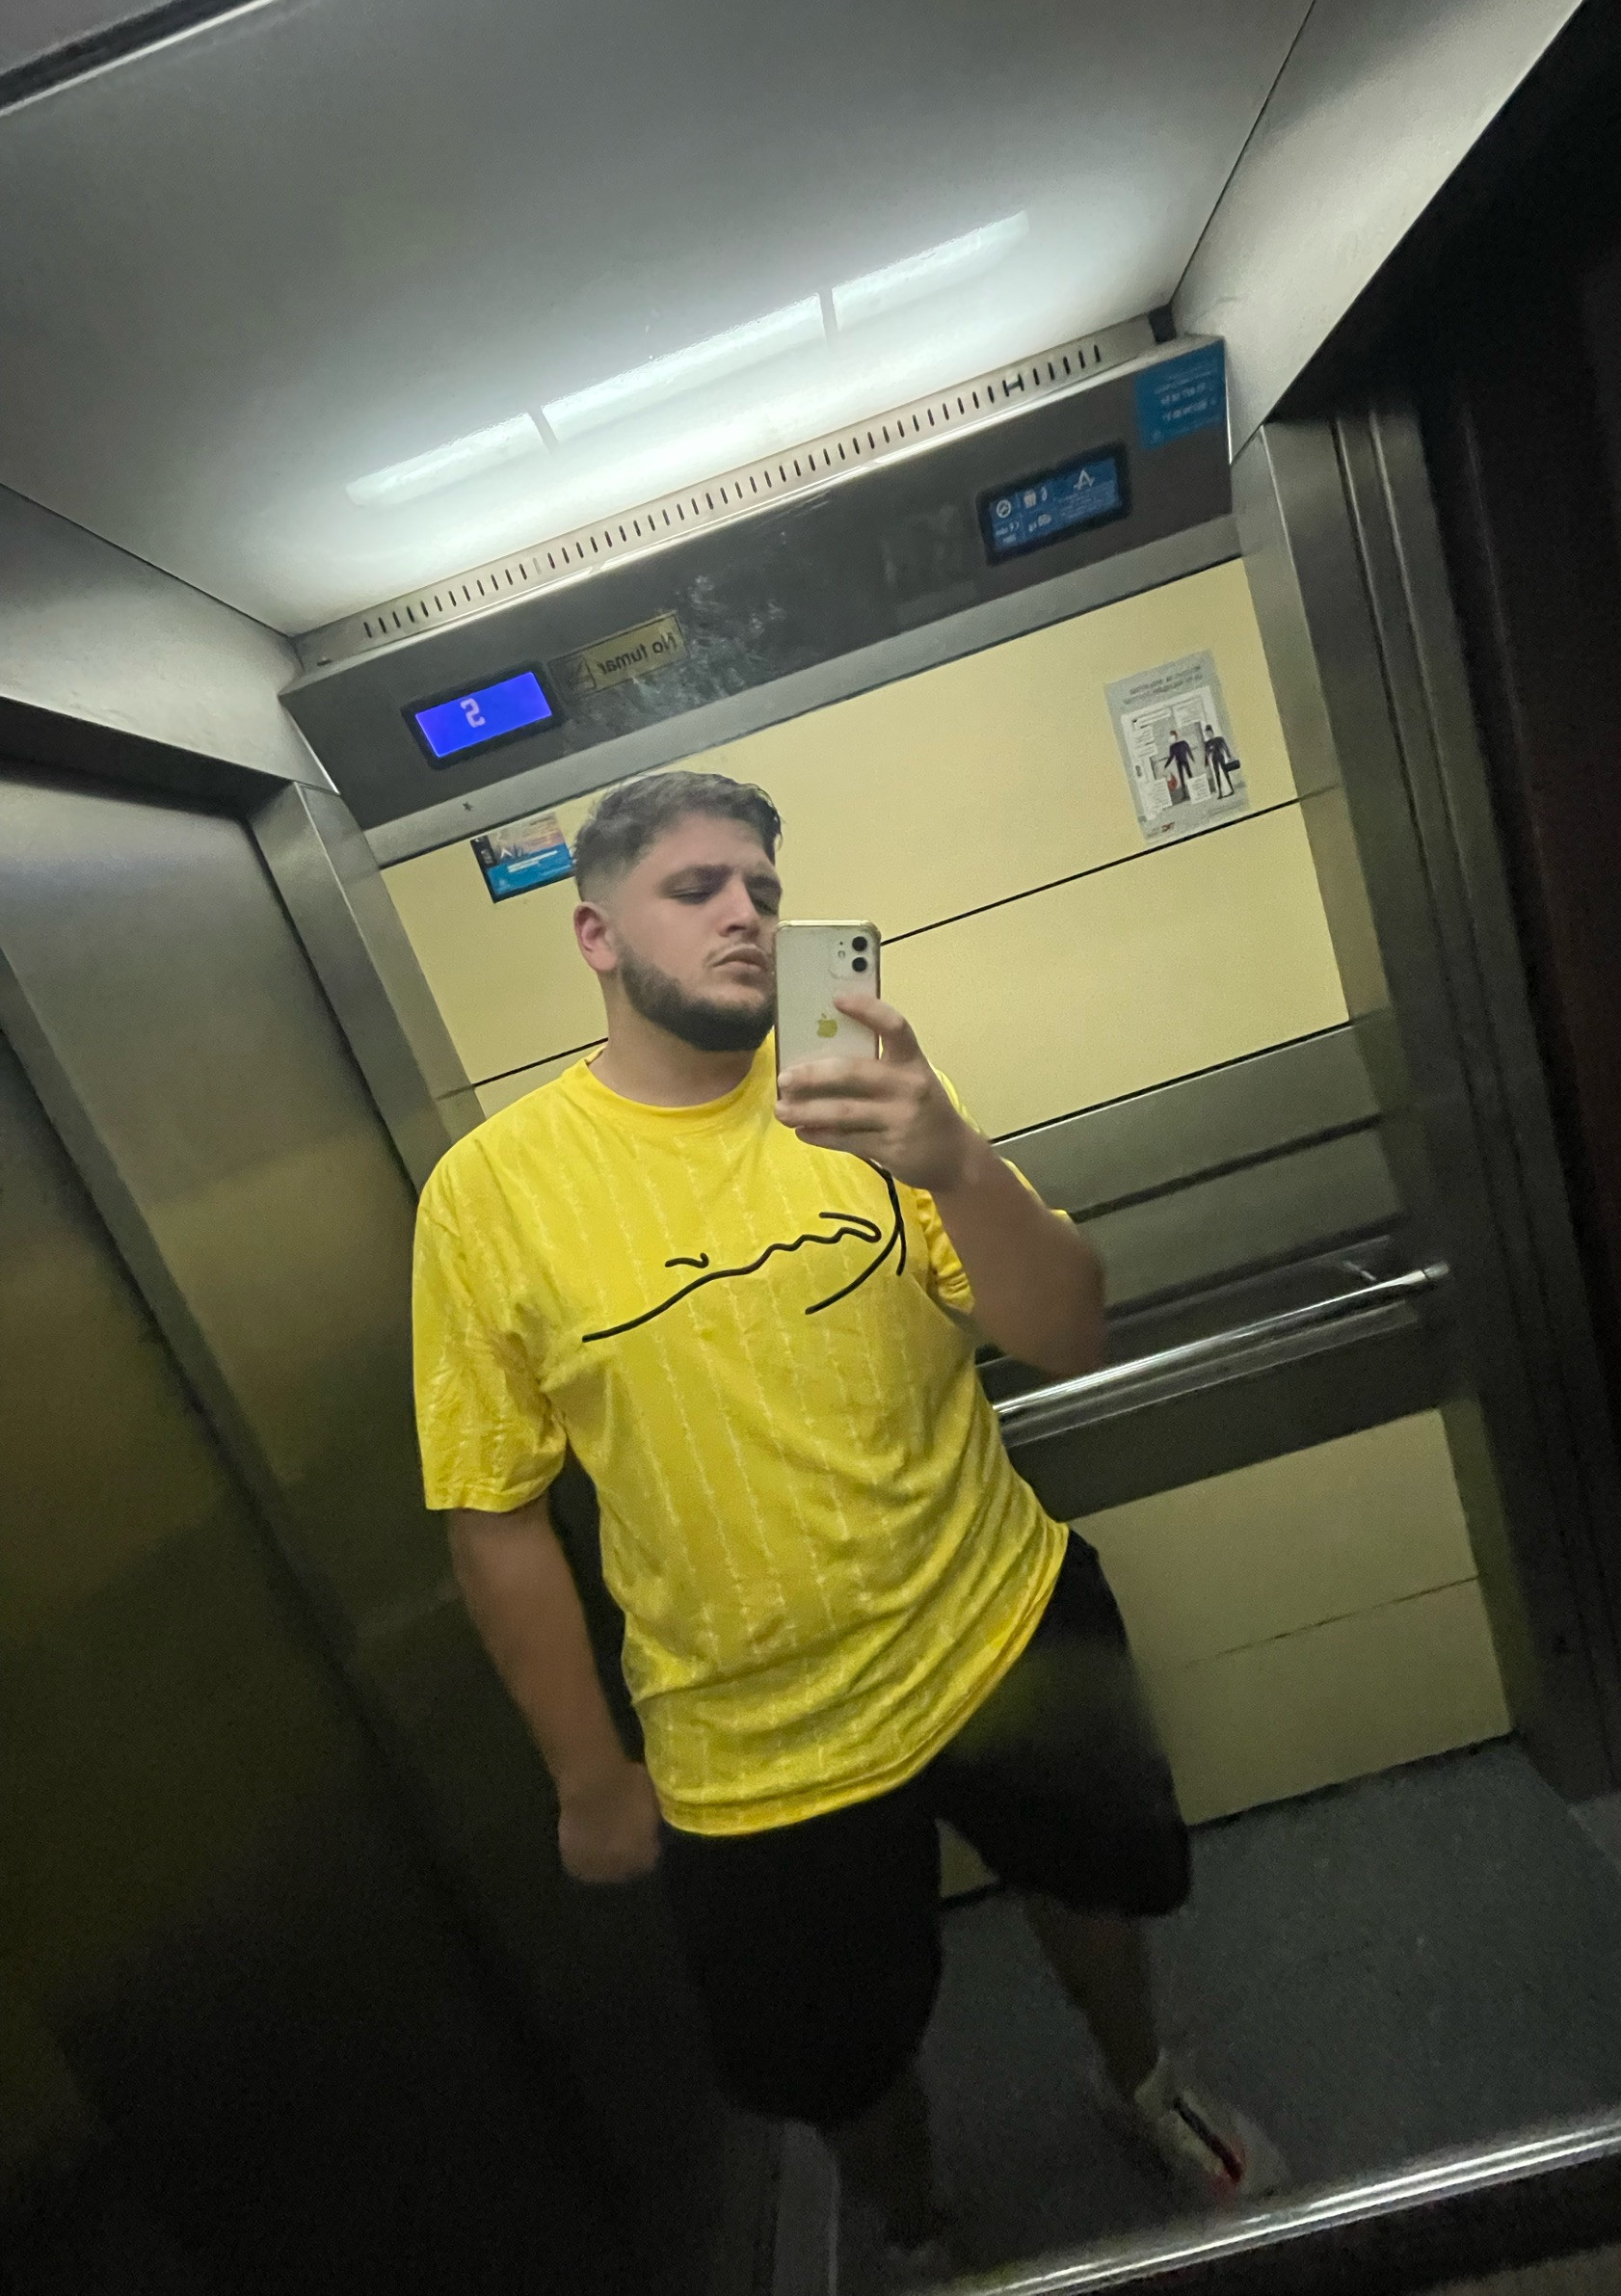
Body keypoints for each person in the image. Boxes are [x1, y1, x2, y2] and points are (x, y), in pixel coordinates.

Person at [412, 771, 1286, 2278]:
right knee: (832, 2055)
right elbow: (493, 1516)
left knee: (1096, 1883)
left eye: (763, 888)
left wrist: (955, 1162)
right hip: (749, 1747)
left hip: (997, 1624)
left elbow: (1067, 1330)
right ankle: (917, 2224)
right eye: (695, 889)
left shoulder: (869, 1098)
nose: (745, 914)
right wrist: (588, 1776)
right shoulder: (490, 1198)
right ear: (596, 935)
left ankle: (1144, 2080)